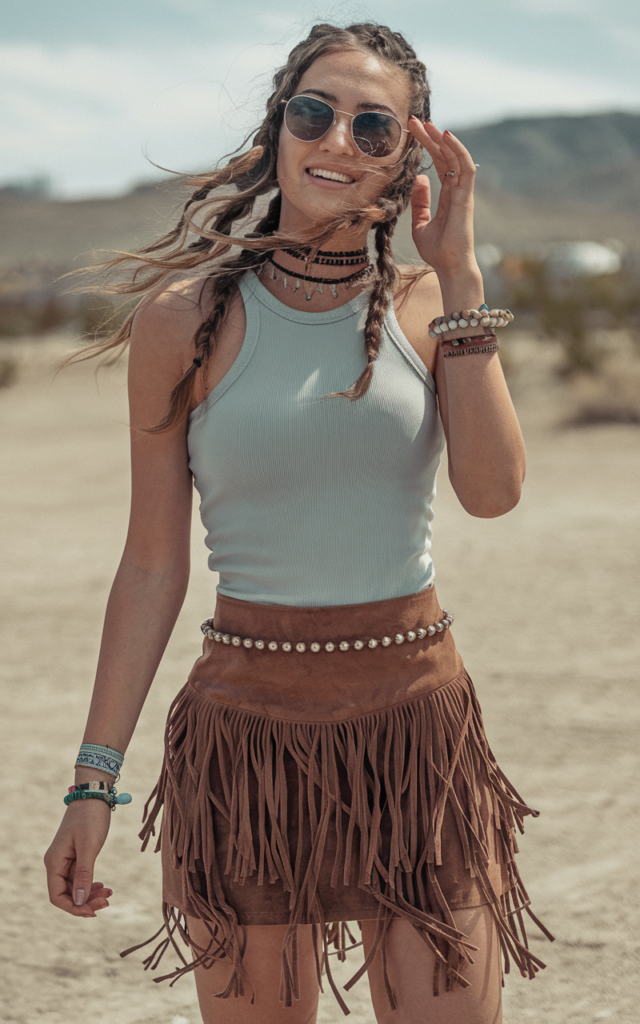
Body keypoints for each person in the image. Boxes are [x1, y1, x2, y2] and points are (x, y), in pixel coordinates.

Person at [44, 22, 552, 1024]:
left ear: (408, 158)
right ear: (278, 126)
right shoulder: (182, 318)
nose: (338, 141)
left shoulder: (424, 308)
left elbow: (493, 492)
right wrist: (91, 783)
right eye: (314, 113)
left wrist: (461, 280)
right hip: (247, 739)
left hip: (416, 728)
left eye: (374, 128)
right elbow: (151, 567)